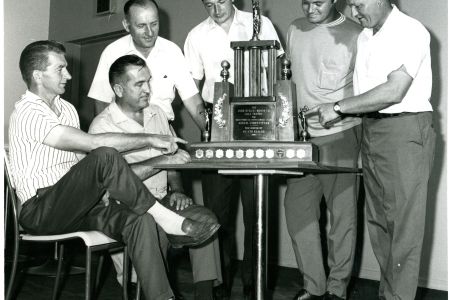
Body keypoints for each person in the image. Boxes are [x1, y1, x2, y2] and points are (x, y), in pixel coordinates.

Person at [9, 40, 219, 300]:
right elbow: (95, 145)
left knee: (140, 220)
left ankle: (162, 297)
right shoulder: (28, 112)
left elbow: (80, 161)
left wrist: (98, 189)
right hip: (40, 209)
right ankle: (166, 217)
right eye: (61, 69)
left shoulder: (66, 109)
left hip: (76, 204)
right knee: (106, 154)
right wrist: (150, 139)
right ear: (38, 75)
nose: (69, 75)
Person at [308, 0, 436, 299]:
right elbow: (366, 94)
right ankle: (388, 294)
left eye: (358, 3)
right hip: (372, 130)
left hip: (404, 130)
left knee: (403, 228)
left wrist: (338, 107)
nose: (353, 12)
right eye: (350, 5)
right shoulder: (366, 36)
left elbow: (394, 90)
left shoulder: (410, 31)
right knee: (379, 223)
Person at [89, 54, 222, 300]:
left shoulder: (157, 113)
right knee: (155, 230)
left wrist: (178, 190)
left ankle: (205, 294)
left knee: (207, 222)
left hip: (164, 198)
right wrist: (161, 161)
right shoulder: (102, 128)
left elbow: (173, 161)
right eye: (139, 84)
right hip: (130, 208)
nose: (148, 89)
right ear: (118, 89)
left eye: (148, 81)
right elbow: (113, 182)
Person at [184, 1, 283, 299]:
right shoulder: (196, 35)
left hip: (257, 121)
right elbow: (191, 88)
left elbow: (277, 71)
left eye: (222, 1)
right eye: (209, 3)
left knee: (258, 214)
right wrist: (209, 125)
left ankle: (256, 288)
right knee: (216, 215)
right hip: (217, 124)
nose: (216, 9)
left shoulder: (260, 24)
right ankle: (220, 289)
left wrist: (274, 122)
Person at [283, 1, 362, 300]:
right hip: (301, 138)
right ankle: (313, 288)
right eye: (305, 1)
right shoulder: (295, 28)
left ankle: (336, 291)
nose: (310, 8)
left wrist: (342, 110)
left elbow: (367, 86)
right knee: (297, 213)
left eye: (318, 2)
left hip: (340, 134)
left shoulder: (356, 33)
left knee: (342, 218)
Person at [88, 0, 206, 130]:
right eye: (141, 26)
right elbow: (101, 101)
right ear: (126, 25)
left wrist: (211, 136)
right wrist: (107, 139)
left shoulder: (172, 51)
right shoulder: (112, 52)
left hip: (163, 129)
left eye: (154, 24)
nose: (149, 33)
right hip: (125, 131)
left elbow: (193, 101)